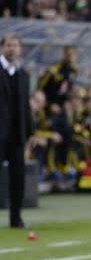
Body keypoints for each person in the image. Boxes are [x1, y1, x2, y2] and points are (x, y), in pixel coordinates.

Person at [0, 33, 32, 228]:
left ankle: (16, 218)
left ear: (20, 49)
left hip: (17, 135)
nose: (12, 48)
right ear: (3, 48)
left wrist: (30, 132)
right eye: (8, 45)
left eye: (15, 45)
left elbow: (25, 107)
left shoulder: (23, 74)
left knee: (17, 178)